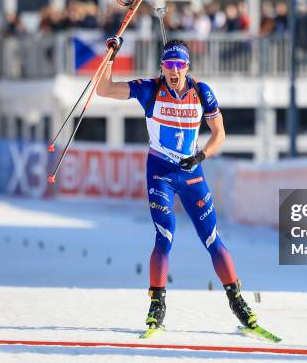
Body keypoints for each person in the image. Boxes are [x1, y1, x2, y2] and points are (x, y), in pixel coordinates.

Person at [95, 38, 258, 331]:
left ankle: (237, 301)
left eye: (179, 65)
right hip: (160, 172)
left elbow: (219, 133)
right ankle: (157, 305)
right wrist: (111, 55)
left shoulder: (201, 91)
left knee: (212, 239)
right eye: (169, 65)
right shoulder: (150, 89)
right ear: (162, 66)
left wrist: (201, 156)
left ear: (187, 66)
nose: (174, 71)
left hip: (191, 172)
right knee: (164, 236)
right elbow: (104, 89)